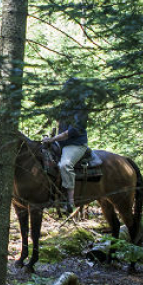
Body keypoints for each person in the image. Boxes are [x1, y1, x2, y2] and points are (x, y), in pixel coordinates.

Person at [41, 78, 88, 211]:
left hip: (75, 144)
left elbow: (71, 132)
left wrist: (52, 139)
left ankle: (70, 201)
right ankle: (49, 196)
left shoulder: (81, 108)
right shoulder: (65, 107)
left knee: (65, 165)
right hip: (61, 143)